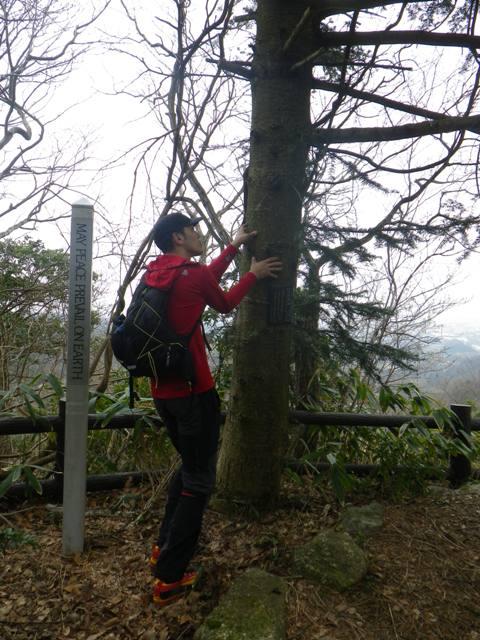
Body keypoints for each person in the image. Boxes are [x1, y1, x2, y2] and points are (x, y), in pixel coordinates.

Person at [144, 212, 282, 606]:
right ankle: (169, 576)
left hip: (163, 392)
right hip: (194, 394)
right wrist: (252, 274)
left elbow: (204, 280)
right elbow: (222, 302)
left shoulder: (157, 273)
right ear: (178, 237)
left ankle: (163, 547)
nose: (199, 234)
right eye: (193, 230)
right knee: (200, 480)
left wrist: (234, 247)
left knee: (189, 467)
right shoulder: (192, 275)